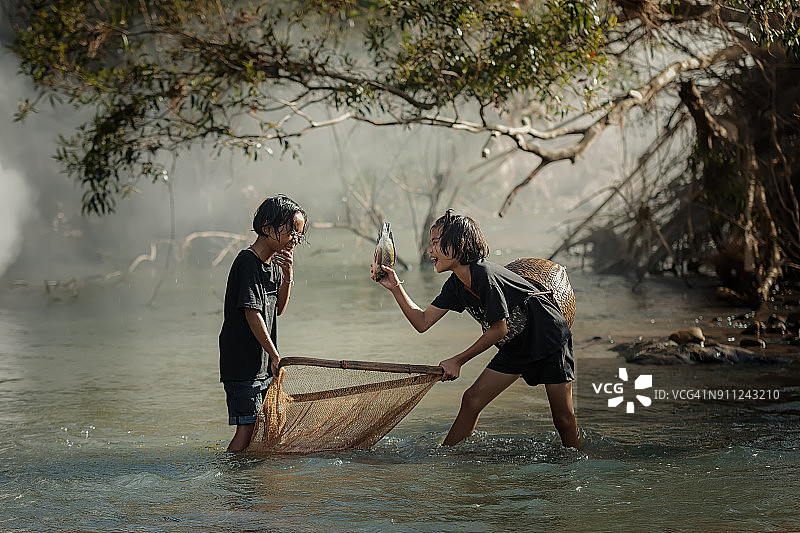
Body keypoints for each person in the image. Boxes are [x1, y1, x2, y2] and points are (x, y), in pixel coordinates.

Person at [371, 210, 580, 448]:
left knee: (563, 420)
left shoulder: (484, 275)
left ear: (458, 245)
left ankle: (573, 466)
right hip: (515, 347)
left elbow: (499, 329)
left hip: (549, 339)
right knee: (471, 399)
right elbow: (422, 322)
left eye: (436, 243)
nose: (430, 251)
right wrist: (395, 286)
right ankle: (448, 457)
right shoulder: (456, 285)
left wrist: (458, 361)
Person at [219, 195, 307, 452]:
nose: (295, 239)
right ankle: (230, 476)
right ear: (267, 227)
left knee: (264, 427)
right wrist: (274, 354)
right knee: (246, 429)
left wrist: (289, 276)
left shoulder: (275, 264)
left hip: (262, 364)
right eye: (291, 231)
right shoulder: (247, 262)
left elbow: (278, 309)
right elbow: (252, 313)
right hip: (242, 363)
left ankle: (251, 478)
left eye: (299, 234)